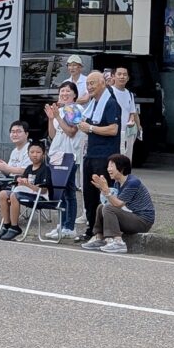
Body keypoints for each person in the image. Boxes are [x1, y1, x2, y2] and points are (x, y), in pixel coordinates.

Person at [80, 154, 155, 254]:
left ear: (121, 168)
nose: (108, 169)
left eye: (111, 166)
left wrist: (106, 190)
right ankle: (100, 238)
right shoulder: (117, 183)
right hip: (132, 216)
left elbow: (118, 204)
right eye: (108, 166)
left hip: (143, 221)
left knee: (108, 208)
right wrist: (102, 189)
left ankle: (118, 242)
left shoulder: (133, 182)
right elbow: (109, 201)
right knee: (101, 207)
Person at [78, 71, 121, 242]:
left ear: (103, 83)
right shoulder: (92, 104)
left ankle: (105, 230)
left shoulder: (110, 103)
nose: (89, 87)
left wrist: (90, 128)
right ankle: (92, 229)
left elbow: (113, 129)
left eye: (93, 83)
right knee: (89, 195)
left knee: (103, 194)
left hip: (105, 156)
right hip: (90, 154)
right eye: (88, 84)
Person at [45, 81, 85, 239]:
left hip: (69, 155)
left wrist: (57, 117)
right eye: (62, 91)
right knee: (59, 191)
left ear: (74, 94)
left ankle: (69, 227)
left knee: (69, 191)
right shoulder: (60, 110)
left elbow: (71, 132)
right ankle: (61, 225)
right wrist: (51, 118)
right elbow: (53, 135)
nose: (64, 94)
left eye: (68, 91)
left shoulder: (74, 109)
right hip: (56, 154)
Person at [0, 141, 52, 241]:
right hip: (27, 193)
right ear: (28, 153)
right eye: (32, 152)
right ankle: (7, 225)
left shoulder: (45, 169)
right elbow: (22, 185)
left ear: (44, 154)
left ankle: (15, 227)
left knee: (14, 195)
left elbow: (43, 190)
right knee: (3, 194)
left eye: (38, 152)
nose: (34, 155)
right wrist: (20, 181)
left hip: (39, 197)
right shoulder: (29, 168)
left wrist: (28, 184)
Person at [111, 67, 140, 160]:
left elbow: (132, 112)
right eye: (119, 74)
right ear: (113, 76)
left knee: (125, 160)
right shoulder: (108, 92)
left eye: (124, 75)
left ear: (128, 78)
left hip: (126, 134)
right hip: (112, 132)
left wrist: (134, 123)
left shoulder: (129, 94)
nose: (122, 77)